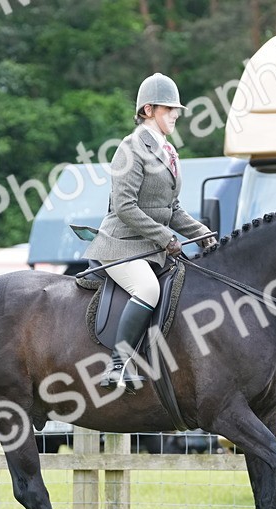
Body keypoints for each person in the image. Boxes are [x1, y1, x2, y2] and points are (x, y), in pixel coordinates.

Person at [84, 72, 216, 391]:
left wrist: (204, 234)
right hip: (121, 244)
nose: (175, 114)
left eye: (176, 109)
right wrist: (165, 237)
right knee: (147, 289)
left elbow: (172, 209)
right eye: (169, 109)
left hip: (149, 248)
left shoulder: (169, 151)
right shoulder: (131, 148)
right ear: (148, 110)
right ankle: (118, 364)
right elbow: (125, 206)